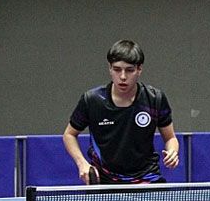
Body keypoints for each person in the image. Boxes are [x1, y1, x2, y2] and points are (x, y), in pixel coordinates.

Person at [63, 39, 179, 184]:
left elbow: (170, 138)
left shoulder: (155, 99)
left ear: (139, 69)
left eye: (129, 70)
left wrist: (173, 152)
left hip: (146, 179)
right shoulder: (92, 100)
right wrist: (82, 163)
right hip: (104, 182)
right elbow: (69, 135)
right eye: (117, 69)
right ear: (110, 69)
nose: (123, 76)